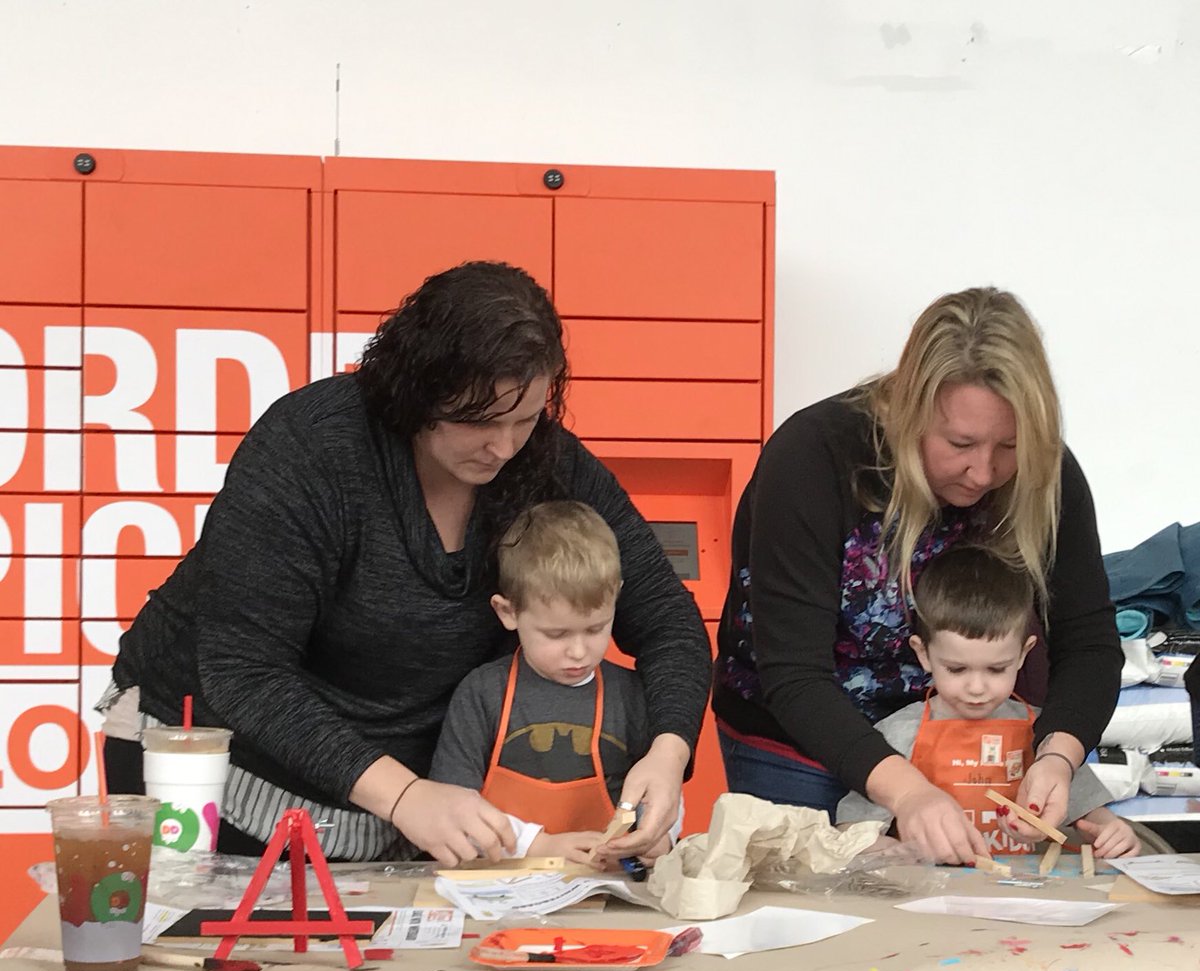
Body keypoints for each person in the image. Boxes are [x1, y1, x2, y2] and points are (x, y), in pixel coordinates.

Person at [99, 261, 710, 871]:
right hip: (212, 767)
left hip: (415, 803)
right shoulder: (311, 447)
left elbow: (667, 620)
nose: (505, 447)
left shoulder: (548, 462)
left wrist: (667, 751)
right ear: (416, 392)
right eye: (477, 421)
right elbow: (245, 671)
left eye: (525, 419)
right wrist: (405, 794)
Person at [714, 286, 1122, 865]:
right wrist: (907, 792)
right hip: (800, 747)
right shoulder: (813, 456)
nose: (983, 472)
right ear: (909, 410)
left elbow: (1091, 643)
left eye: (1009, 446)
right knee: (817, 934)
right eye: (960, 444)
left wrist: (1058, 756)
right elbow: (794, 673)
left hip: (961, 743)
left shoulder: (1048, 475)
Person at [835, 545, 1140, 860]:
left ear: (1023, 653)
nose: (977, 688)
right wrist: (888, 850)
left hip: (1018, 899)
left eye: (996, 669)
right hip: (926, 898)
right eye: (957, 669)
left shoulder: (1042, 735)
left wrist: (1111, 830)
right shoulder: (897, 733)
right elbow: (852, 830)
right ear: (923, 653)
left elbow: (1089, 815)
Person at [430, 500, 677, 868]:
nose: (578, 651)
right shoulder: (482, 694)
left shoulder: (632, 695)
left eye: (595, 628)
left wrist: (658, 839)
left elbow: (660, 795)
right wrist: (537, 846)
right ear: (508, 612)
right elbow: (451, 810)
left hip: (603, 890)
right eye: (556, 634)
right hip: (500, 887)